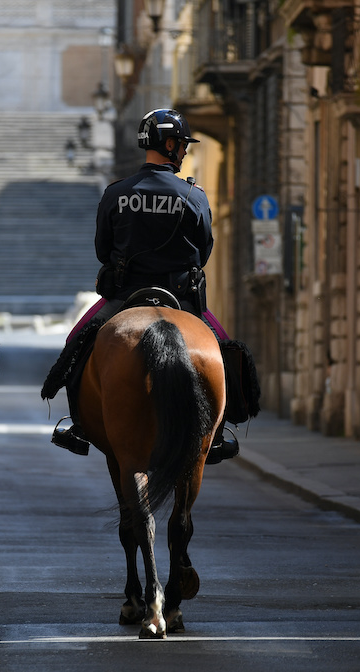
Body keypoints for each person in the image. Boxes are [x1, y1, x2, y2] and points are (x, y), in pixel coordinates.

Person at [44, 108, 246, 461]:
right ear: (168, 145)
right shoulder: (193, 195)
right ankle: (218, 430)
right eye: (181, 145)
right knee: (225, 350)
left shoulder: (115, 193)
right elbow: (203, 252)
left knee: (76, 341)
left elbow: (102, 250)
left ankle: (78, 423)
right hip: (181, 299)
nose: (183, 152)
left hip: (124, 298)